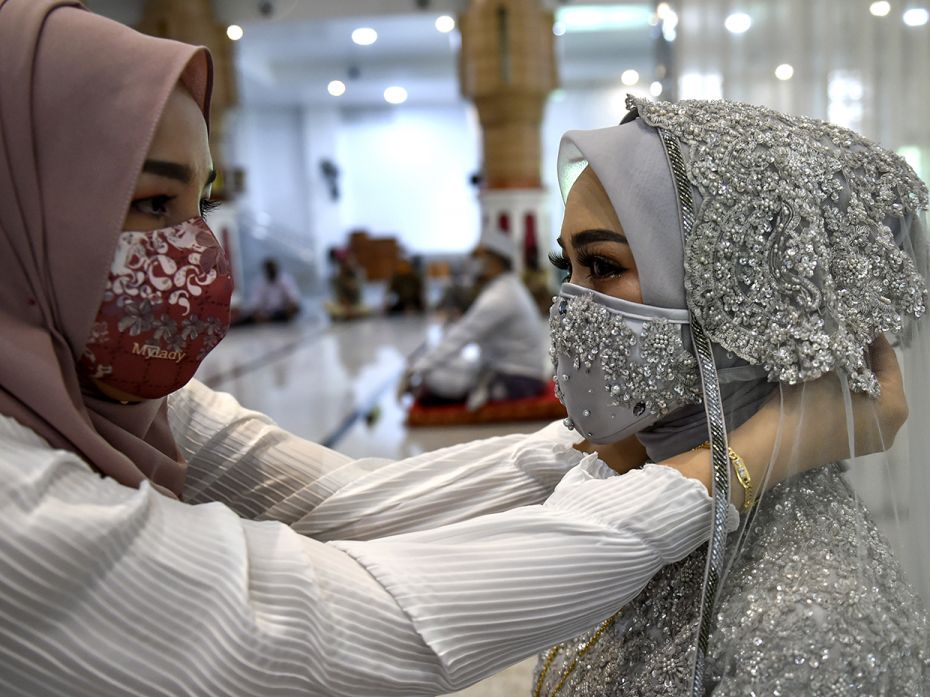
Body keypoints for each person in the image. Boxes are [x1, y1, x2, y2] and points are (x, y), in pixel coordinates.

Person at [0, 3, 912, 695]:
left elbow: (327, 498)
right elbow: (333, 622)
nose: (197, 250)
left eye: (199, 204)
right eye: (153, 206)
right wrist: (736, 459)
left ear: (732, 294)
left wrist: (621, 445)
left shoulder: (798, 616)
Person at [532, 97, 930, 696]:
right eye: (569, 266)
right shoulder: (636, 488)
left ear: (735, 294)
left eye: (603, 265)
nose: (570, 306)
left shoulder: (801, 621)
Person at [400, 227, 548, 407]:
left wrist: (417, 369)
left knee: (434, 377)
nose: (474, 261)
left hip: (518, 380)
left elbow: (461, 336)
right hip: (508, 370)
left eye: (478, 255)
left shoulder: (500, 296)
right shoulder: (506, 287)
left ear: (494, 260)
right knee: (448, 366)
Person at [232, 257, 301, 325]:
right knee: (246, 319)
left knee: (296, 309)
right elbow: (254, 303)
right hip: (265, 314)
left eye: (273, 270)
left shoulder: (286, 280)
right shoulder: (259, 282)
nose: (272, 271)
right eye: (270, 270)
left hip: (282, 312)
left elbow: (294, 300)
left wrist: (290, 309)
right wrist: (258, 314)